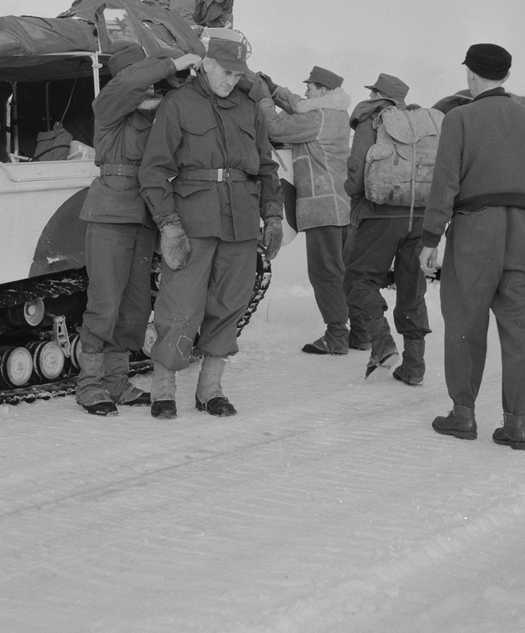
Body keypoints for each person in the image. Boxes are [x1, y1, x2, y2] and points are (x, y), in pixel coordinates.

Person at [420, 44, 525, 450]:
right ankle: (516, 424)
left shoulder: (459, 118)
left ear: (471, 75)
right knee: (520, 330)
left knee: (465, 323)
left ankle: (463, 416)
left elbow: (444, 185)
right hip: (523, 231)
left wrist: (430, 239)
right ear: (505, 75)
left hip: (474, 230)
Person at [138, 29, 283, 419]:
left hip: (240, 221)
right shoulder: (178, 104)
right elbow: (153, 171)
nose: (230, 81)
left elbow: (267, 167)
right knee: (179, 306)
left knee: (229, 305)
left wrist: (272, 215)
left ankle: (210, 389)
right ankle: (163, 389)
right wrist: (168, 224)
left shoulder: (249, 108)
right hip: (193, 222)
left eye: (238, 75)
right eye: (224, 72)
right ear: (205, 63)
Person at [75, 43, 202, 416]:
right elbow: (129, 85)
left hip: (144, 215)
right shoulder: (111, 107)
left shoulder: (155, 114)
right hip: (111, 213)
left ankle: (115, 380)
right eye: (147, 76)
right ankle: (89, 384)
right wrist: (171, 64)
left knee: (134, 306)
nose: (152, 87)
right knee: (104, 304)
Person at [250, 66, 351, 355]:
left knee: (324, 273)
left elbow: (276, 128)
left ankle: (336, 336)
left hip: (322, 209)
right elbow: (299, 105)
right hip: (339, 205)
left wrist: (263, 99)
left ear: (323, 91)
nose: (306, 89)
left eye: (311, 86)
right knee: (341, 270)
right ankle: (361, 333)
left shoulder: (317, 119)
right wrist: (276, 90)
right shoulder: (335, 113)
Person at [343, 74, 432, 384]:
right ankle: (414, 366)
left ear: (378, 94)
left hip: (380, 213)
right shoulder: (422, 123)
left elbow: (356, 170)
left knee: (359, 278)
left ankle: (382, 345)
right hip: (420, 214)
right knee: (412, 286)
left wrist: (353, 194)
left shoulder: (373, 118)